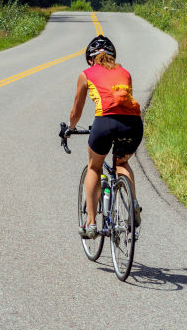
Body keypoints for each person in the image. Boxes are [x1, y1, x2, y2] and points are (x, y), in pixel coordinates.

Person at [68, 34, 143, 238]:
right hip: (133, 125)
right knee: (121, 164)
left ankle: (91, 224)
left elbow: (77, 110)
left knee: (94, 166)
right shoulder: (125, 73)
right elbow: (124, 104)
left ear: (90, 59)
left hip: (105, 123)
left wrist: (70, 128)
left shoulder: (87, 74)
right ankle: (133, 204)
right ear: (112, 56)